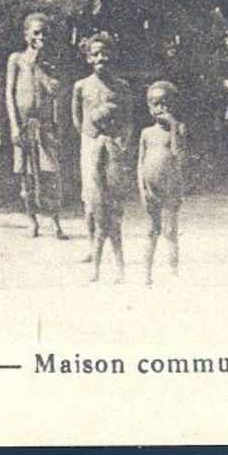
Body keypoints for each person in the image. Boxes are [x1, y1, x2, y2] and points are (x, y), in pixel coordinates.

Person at [71, 32, 135, 283]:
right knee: (91, 196)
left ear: (113, 55)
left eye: (105, 53)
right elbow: (77, 118)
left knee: (113, 195)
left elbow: (129, 119)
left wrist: (122, 142)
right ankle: (91, 245)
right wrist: (89, 137)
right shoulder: (81, 86)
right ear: (88, 58)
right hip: (90, 144)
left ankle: (116, 252)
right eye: (95, 54)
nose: (101, 58)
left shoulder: (121, 87)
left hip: (113, 144)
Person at [2, 13, 67, 240]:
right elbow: (9, 93)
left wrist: (57, 123)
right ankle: (32, 221)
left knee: (51, 174)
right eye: (36, 32)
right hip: (23, 125)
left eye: (44, 33)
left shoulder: (49, 64)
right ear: (26, 34)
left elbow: (55, 95)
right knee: (26, 177)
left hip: (45, 126)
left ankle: (56, 222)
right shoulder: (17, 59)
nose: (41, 37)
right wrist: (13, 126)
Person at [136, 81, 185, 286]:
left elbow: (177, 154)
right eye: (155, 104)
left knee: (170, 230)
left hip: (171, 187)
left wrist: (173, 126)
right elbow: (140, 162)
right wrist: (141, 187)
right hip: (151, 190)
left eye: (165, 104)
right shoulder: (146, 133)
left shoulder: (179, 129)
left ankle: (173, 272)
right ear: (149, 108)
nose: (160, 109)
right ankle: (146, 273)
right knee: (151, 230)